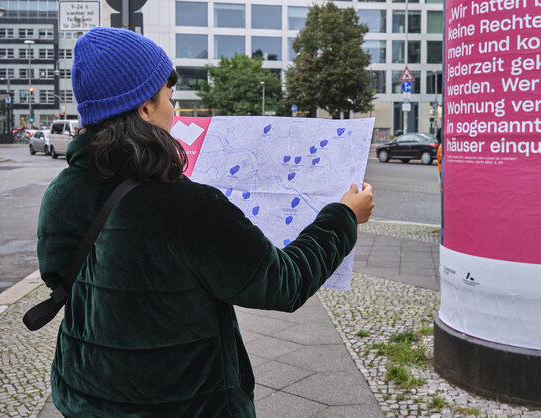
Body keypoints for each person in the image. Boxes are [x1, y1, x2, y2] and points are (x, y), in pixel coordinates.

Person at [37, 27, 375, 416]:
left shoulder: (60, 193)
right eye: (169, 97)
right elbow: (284, 283)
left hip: (84, 395)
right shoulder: (186, 205)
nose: (174, 111)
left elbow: (58, 276)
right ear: (145, 108)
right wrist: (344, 216)